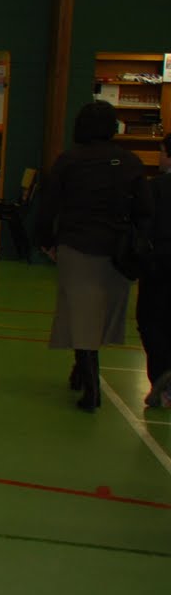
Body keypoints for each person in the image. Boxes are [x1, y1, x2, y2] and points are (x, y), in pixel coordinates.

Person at [37, 101, 152, 411]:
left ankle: (90, 384)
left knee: (79, 312)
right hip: (116, 250)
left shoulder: (69, 161)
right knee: (101, 316)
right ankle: (81, 372)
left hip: (76, 246)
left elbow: (48, 205)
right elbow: (144, 210)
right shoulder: (129, 162)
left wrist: (46, 241)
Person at [138, 134, 171, 408]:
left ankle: (162, 377)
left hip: (159, 265)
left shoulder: (157, 187)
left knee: (151, 322)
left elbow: (143, 224)